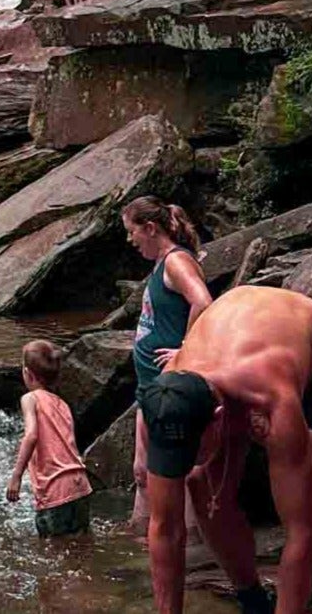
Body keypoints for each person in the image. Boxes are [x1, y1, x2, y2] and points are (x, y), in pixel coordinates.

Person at [138, 286, 312, 614]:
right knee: (203, 487)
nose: (188, 462)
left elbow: (298, 531)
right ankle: (252, 599)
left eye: (194, 451)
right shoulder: (164, 402)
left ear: (217, 421)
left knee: (310, 496)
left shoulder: (271, 402)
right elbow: (165, 529)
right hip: (233, 338)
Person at [123, 196, 213, 530]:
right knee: (142, 474)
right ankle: (144, 554)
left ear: (150, 228)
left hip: (169, 391)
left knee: (178, 475)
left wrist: (184, 349)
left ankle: (191, 559)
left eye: (132, 232)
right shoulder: (162, 263)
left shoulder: (176, 262)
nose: (130, 240)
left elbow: (203, 301)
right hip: (149, 389)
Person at [5, 339, 93, 538]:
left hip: (56, 489)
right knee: (80, 545)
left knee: (53, 551)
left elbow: (31, 435)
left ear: (28, 373)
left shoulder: (30, 399)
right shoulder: (62, 404)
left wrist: (16, 476)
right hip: (81, 485)